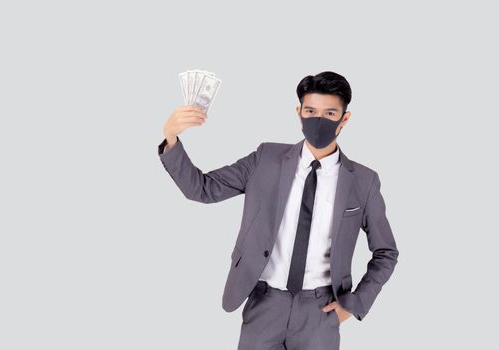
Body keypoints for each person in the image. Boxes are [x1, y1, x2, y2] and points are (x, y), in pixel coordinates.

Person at [157, 71, 399, 350]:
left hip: (320, 313)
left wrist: (355, 305)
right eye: (310, 110)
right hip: (264, 305)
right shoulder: (266, 158)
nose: (318, 120)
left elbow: (386, 252)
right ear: (299, 112)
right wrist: (170, 138)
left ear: (345, 119)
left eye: (330, 113)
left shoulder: (363, 181)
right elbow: (202, 189)